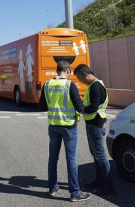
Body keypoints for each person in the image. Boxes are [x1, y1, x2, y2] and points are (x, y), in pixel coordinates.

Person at [38, 60, 91, 202]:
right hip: (68, 126)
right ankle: (74, 193)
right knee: (71, 159)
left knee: (53, 158)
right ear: (67, 70)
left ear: (57, 70)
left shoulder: (47, 84)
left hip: (53, 126)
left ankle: (52, 188)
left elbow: (41, 106)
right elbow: (79, 107)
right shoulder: (69, 85)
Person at [73, 64, 116, 195]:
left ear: (85, 74)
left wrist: (80, 109)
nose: (80, 81)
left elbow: (93, 107)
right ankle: (99, 180)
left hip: (96, 125)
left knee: (100, 155)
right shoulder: (95, 85)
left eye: (80, 78)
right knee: (96, 154)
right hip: (95, 124)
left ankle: (109, 186)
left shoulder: (95, 86)